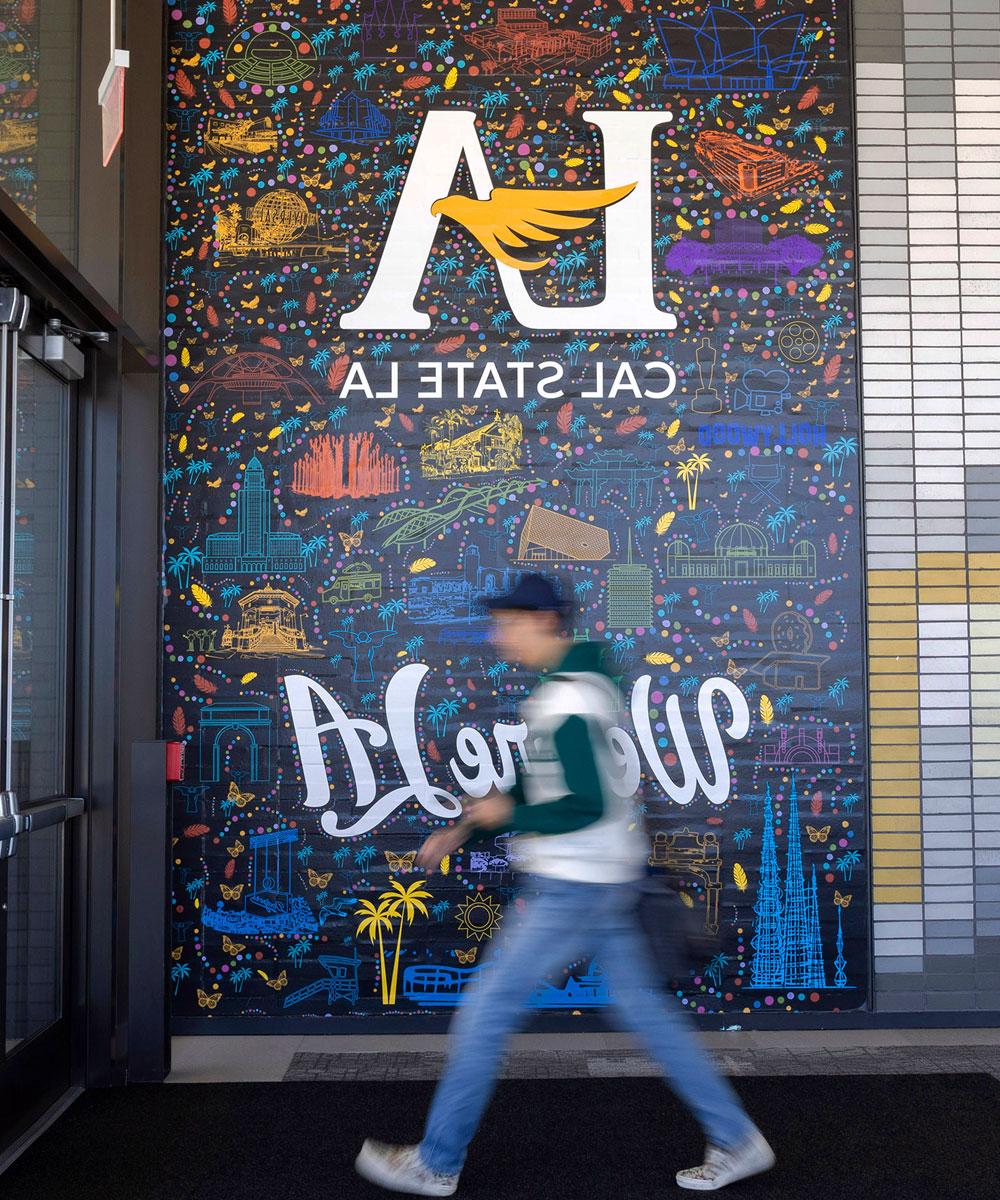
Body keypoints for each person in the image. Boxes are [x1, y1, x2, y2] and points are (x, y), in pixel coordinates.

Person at [355, 573, 774, 1195]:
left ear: (544, 622)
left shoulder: (566, 701)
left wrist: (508, 817)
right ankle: (738, 1139)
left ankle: (436, 1163)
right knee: (646, 1015)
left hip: (575, 884)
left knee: (485, 1013)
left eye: (508, 622)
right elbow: (536, 789)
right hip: (606, 879)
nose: (498, 636)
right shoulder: (577, 688)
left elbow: (584, 805)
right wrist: (463, 832)